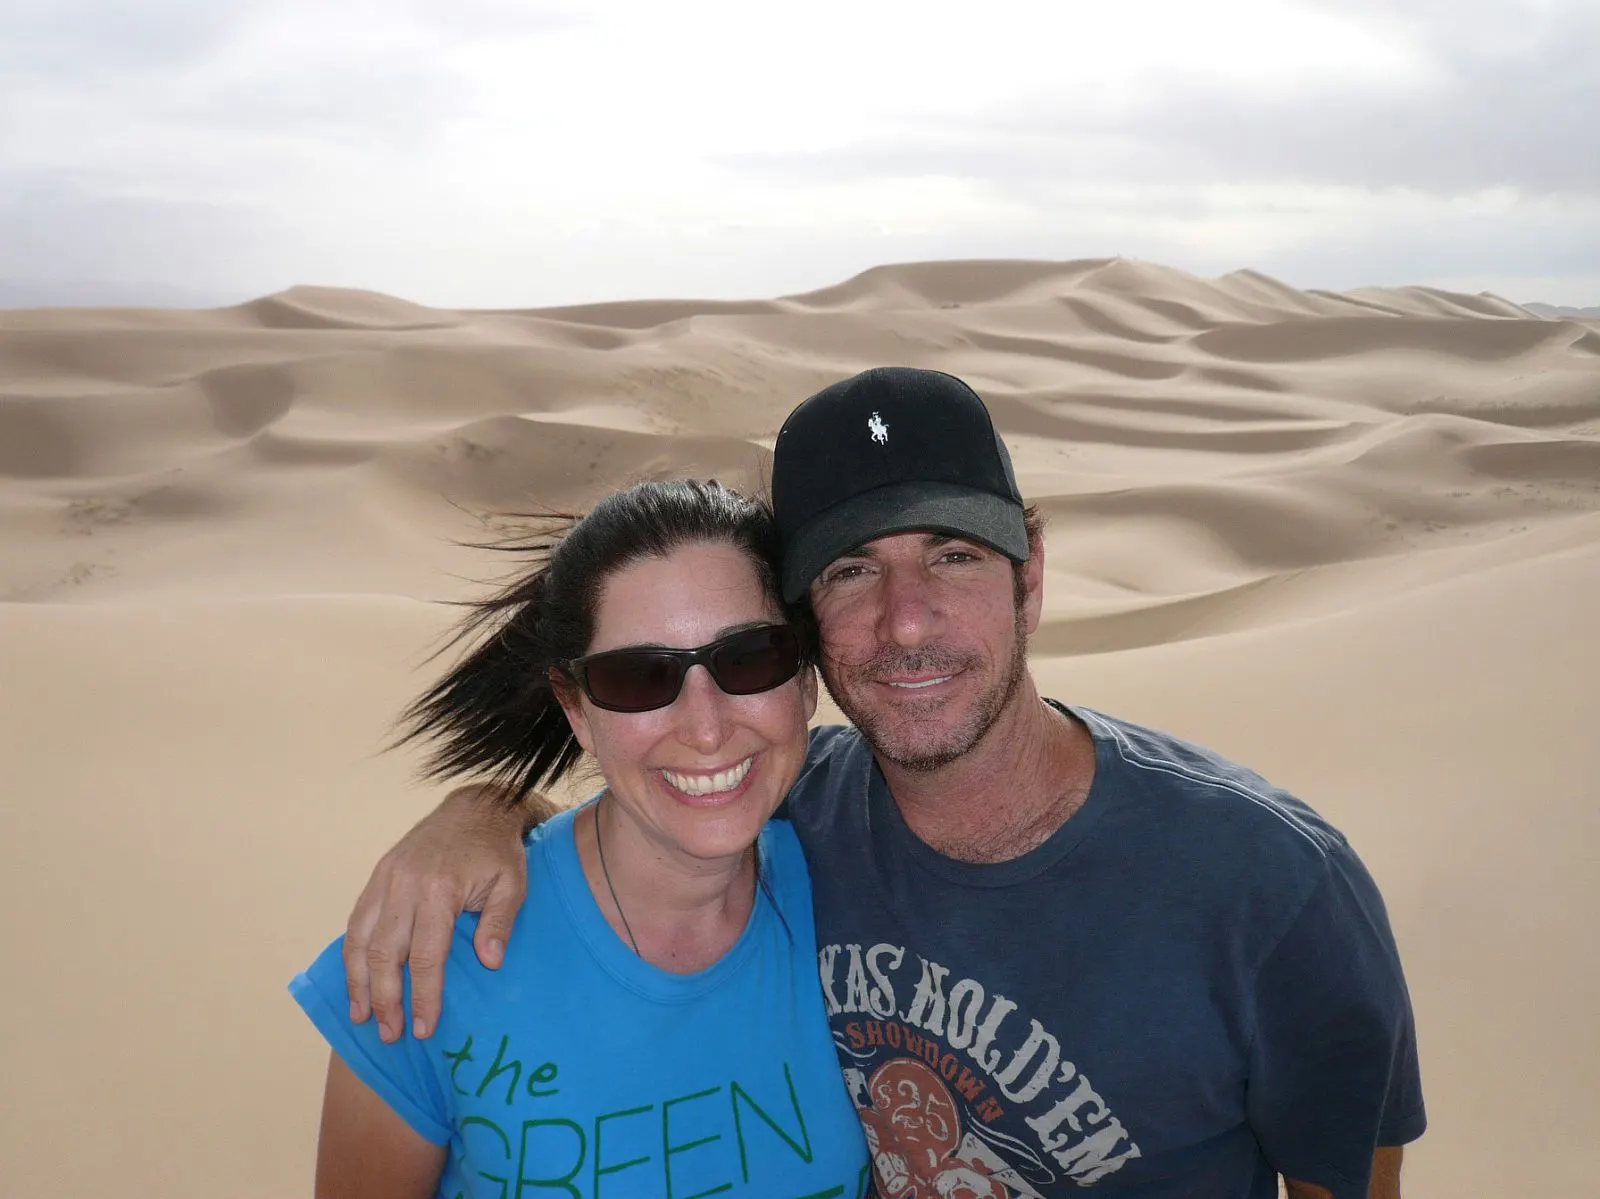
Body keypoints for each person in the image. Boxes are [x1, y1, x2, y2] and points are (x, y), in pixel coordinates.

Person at [340, 368, 1426, 1198]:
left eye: (951, 553)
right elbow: (646, 820)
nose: (905, 621)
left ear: (1030, 576)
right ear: (809, 626)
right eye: (852, 570)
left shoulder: (1272, 889)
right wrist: (477, 810)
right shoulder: (786, 810)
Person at [289, 480, 872, 1198]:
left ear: (806, 680)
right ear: (575, 709)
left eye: (748, 657)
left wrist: (490, 805)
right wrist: (486, 804)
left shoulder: (858, 887)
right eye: (640, 676)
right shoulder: (432, 955)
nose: (708, 726)